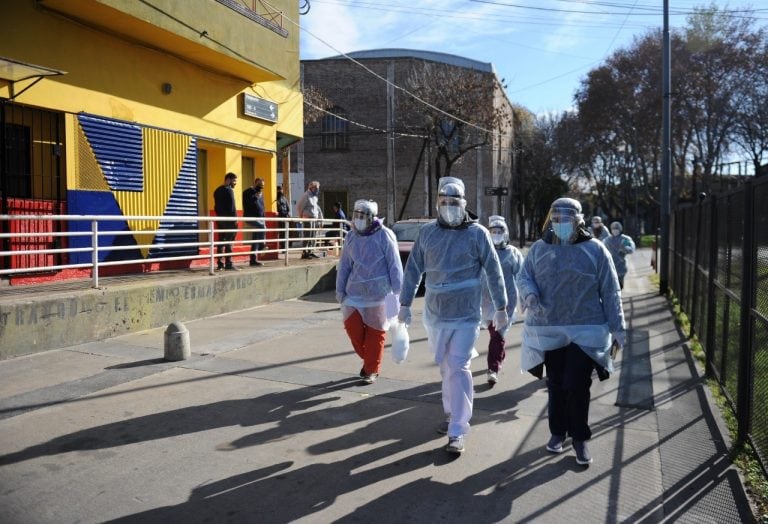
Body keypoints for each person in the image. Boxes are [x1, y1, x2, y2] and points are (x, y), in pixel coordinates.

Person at [398, 177, 508, 455]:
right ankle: (450, 413)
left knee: (459, 366)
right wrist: (405, 303)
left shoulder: (477, 234)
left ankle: (458, 428)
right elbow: (413, 270)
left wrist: (501, 307)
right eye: (444, 202)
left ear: (464, 204)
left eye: (454, 202)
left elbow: (494, 271)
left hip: (466, 314)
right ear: (437, 203)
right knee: (446, 367)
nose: (448, 207)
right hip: (436, 314)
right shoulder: (427, 234)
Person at [518, 197, 626, 467]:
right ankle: (557, 432)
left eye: (566, 220)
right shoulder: (540, 249)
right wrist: (529, 294)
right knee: (555, 383)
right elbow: (524, 275)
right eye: (555, 219)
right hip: (550, 327)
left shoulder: (595, 250)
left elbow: (610, 290)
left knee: (577, 384)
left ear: (579, 221)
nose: (560, 224)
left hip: (586, 329)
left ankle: (579, 437)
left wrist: (618, 328)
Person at [336, 199, 403, 385]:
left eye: (362, 216)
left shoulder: (385, 235)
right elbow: (344, 266)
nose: (358, 220)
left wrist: (398, 295)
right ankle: (370, 360)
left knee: (376, 333)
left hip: (380, 296)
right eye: (356, 215)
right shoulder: (351, 237)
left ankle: (371, 370)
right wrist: (340, 290)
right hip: (353, 294)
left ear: (372, 218)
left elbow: (394, 265)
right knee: (353, 329)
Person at [481, 215, 524, 386]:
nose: (496, 234)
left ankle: (493, 368)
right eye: (493, 231)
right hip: (486, 299)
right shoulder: (483, 250)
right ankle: (499, 356)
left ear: (505, 233)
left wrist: (526, 297)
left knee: (497, 334)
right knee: (496, 334)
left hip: (507, 301)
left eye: (500, 231)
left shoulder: (512, 253)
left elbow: (522, 276)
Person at [213, 172, 239, 271]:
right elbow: (232, 207)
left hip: (220, 220)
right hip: (229, 220)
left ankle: (220, 264)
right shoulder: (229, 191)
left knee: (221, 241)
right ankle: (229, 263)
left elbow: (216, 206)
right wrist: (235, 219)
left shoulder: (217, 190)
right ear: (228, 180)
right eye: (234, 181)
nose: (235, 183)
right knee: (229, 241)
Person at [603, 221, 636, 289]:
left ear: (620, 229)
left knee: (619, 285)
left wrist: (624, 248)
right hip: (609, 265)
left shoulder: (625, 239)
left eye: (616, 228)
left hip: (621, 265)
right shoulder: (607, 240)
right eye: (613, 228)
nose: (615, 230)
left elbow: (631, 250)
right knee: (612, 285)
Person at [296, 180, 323, 259]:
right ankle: (305, 252)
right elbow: (299, 207)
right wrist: (301, 217)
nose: (318, 190)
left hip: (314, 219)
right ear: (312, 188)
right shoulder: (306, 195)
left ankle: (311, 251)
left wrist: (320, 219)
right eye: (316, 188)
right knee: (308, 235)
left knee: (313, 236)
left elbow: (317, 209)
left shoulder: (315, 197)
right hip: (308, 219)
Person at [242, 177, 266, 267]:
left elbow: (262, 207)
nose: (261, 187)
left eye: (262, 186)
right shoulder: (247, 192)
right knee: (262, 228)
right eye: (259, 185)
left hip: (260, 218)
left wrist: (264, 218)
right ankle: (261, 245)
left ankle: (253, 259)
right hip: (250, 217)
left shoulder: (261, 193)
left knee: (255, 239)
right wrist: (255, 197)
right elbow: (247, 203)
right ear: (255, 183)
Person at [275, 185, 291, 249]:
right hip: (282, 217)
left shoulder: (283, 198)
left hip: (283, 217)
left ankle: (284, 247)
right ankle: (283, 247)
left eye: (280, 189)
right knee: (283, 233)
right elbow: (288, 208)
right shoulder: (281, 198)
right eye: (279, 190)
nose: (280, 191)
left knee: (283, 233)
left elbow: (288, 208)